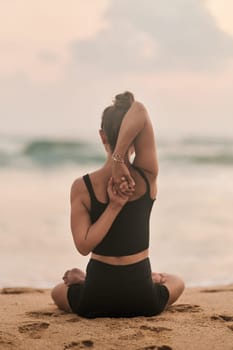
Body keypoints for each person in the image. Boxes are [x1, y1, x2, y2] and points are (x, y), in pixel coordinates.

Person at [51, 91, 184, 318]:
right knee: (177, 281)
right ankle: (141, 279)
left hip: (95, 296)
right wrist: (120, 160)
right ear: (136, 137)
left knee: (57, 291)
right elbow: (139, 109)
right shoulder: (147, 176)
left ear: (102, 136)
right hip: (142, 298)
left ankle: (84, 280)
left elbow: (83, 247)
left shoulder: (82, 186)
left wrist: (113, 206)